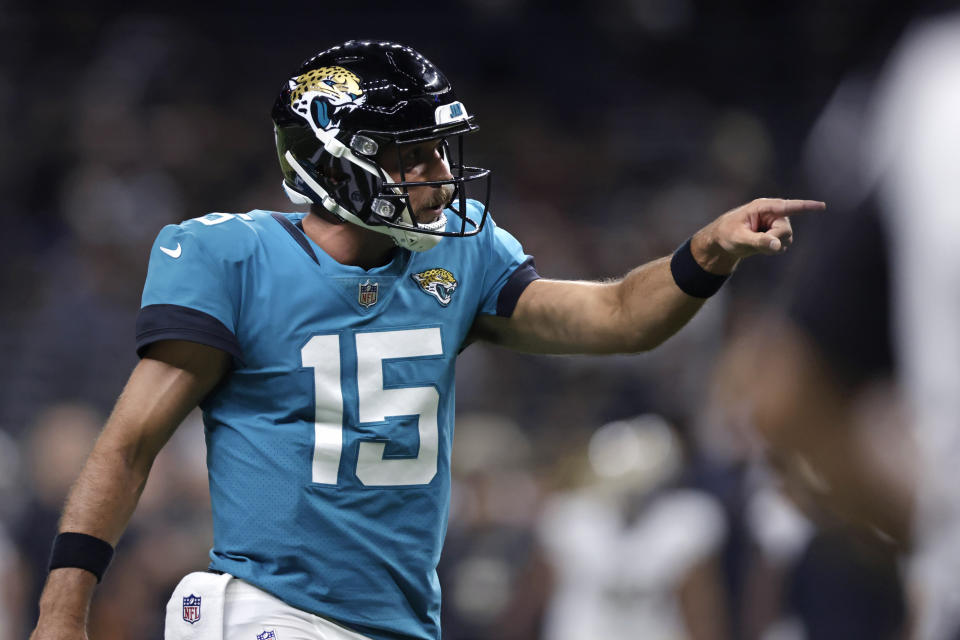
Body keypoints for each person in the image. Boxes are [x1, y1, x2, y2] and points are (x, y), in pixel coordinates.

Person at [29, 40, 823, 640]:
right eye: (412, 156)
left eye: (439, 150)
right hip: (266, 612)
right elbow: (130, 443)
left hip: (393, 622)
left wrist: (707, 252)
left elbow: (617, 316)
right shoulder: (233, 259)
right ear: (333, 165)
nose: (439, 175)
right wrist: (64, 611)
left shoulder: (462, 253)